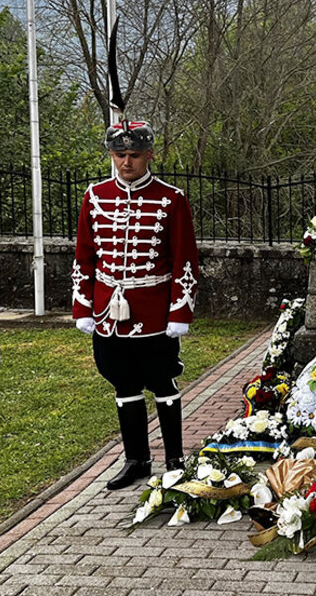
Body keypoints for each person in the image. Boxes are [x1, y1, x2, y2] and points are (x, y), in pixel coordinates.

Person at [71, 120, 200, 490]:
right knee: (123, 383)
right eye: (119, 155)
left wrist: (180, 312)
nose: (126, 162)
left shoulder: (171, 199)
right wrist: (83, 307)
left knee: (162, 381)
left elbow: (185, 260)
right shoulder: (94, 196)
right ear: (111, 155)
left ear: (149, 155)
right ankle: (136, 460)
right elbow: (84, 257)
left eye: (134, 155)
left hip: (155, 311)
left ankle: (174, 459)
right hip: (108, 312)